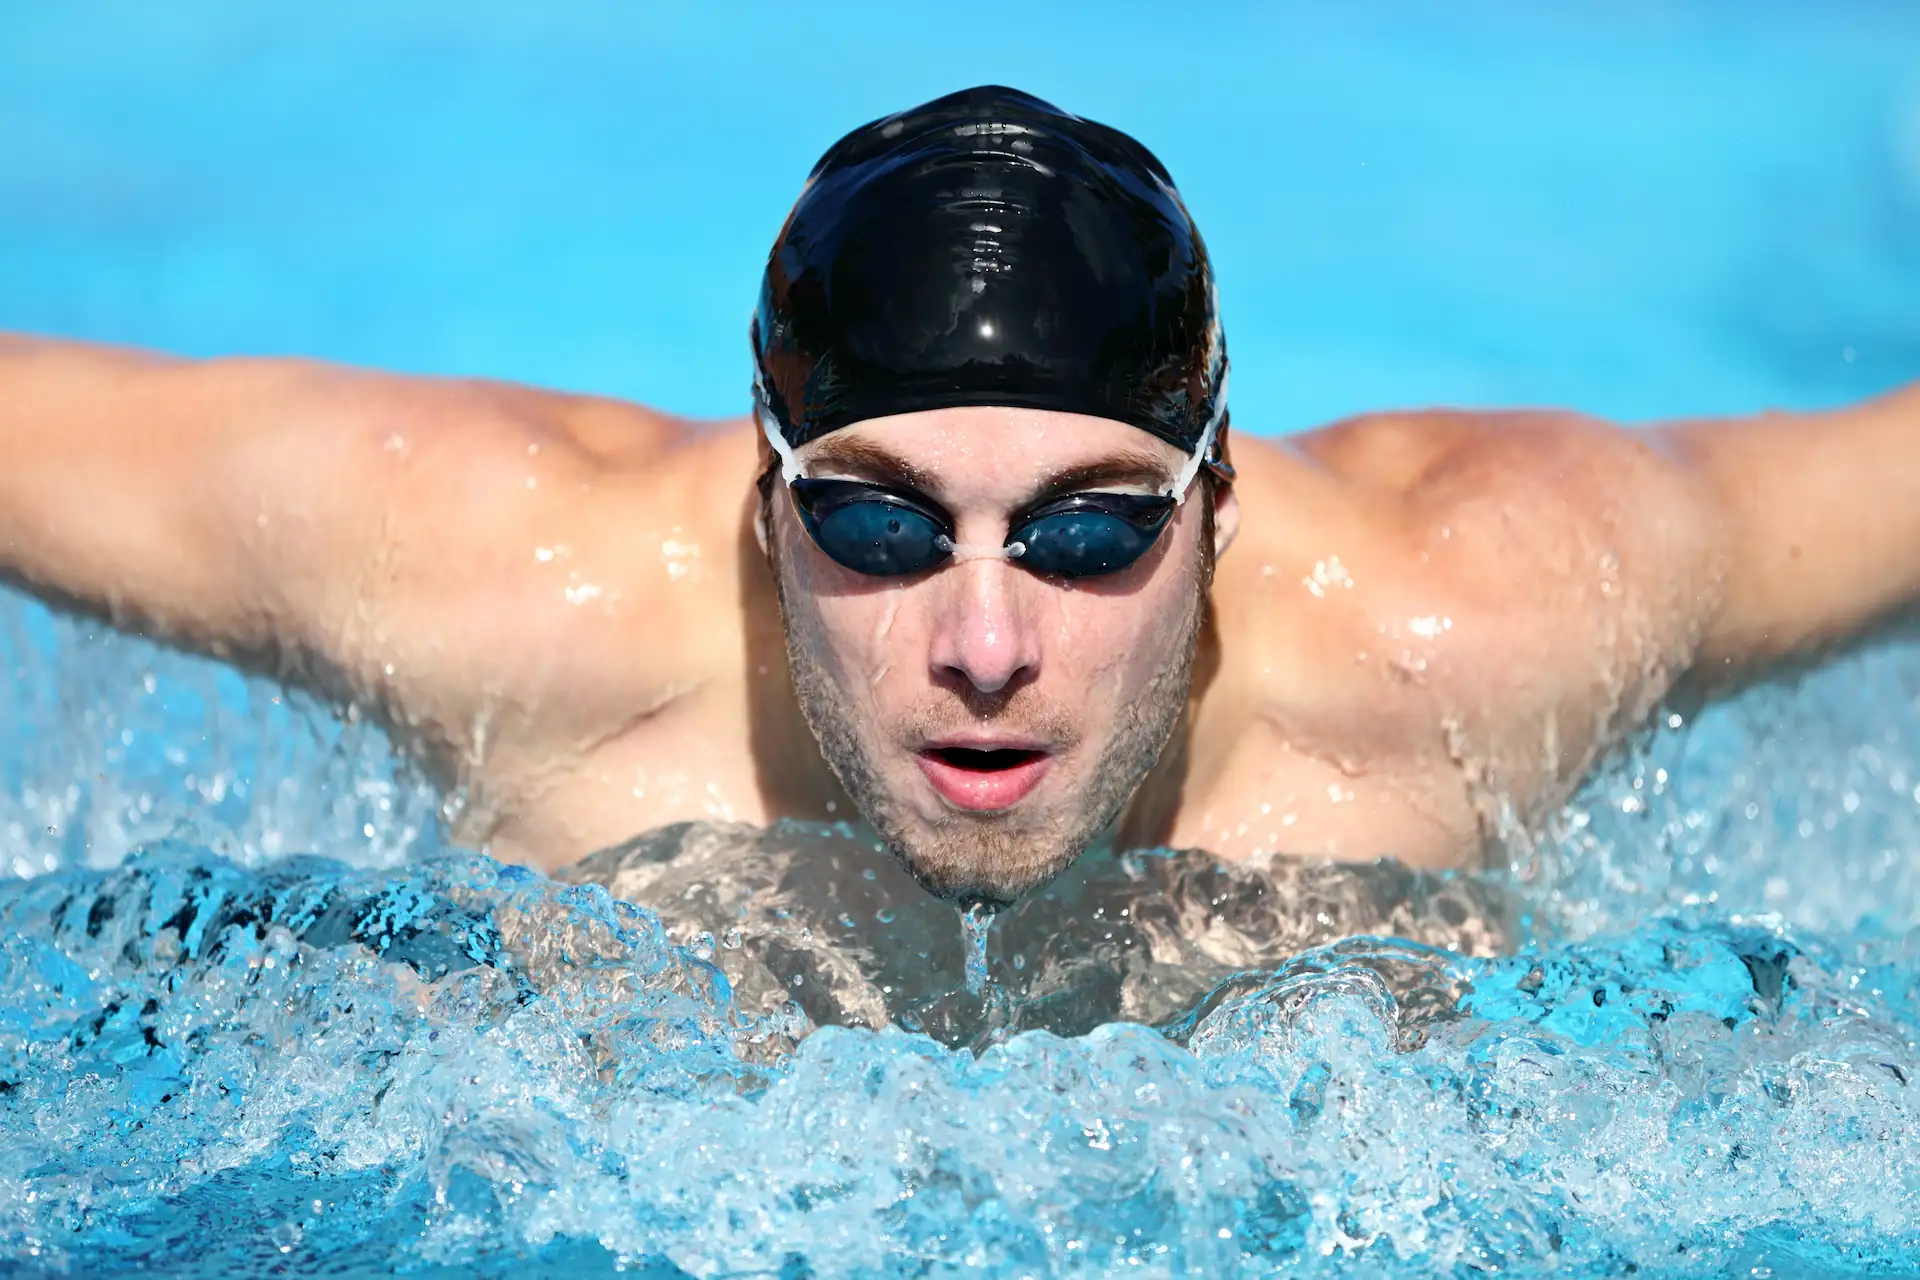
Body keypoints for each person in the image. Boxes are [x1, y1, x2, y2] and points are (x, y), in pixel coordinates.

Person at [2, 86, 1916, 907]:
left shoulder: (1479, 622)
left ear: (1218, 506)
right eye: (878, 522)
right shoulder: (498, 583)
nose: (983, 643)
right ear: (762, 505)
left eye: (1090, 531)